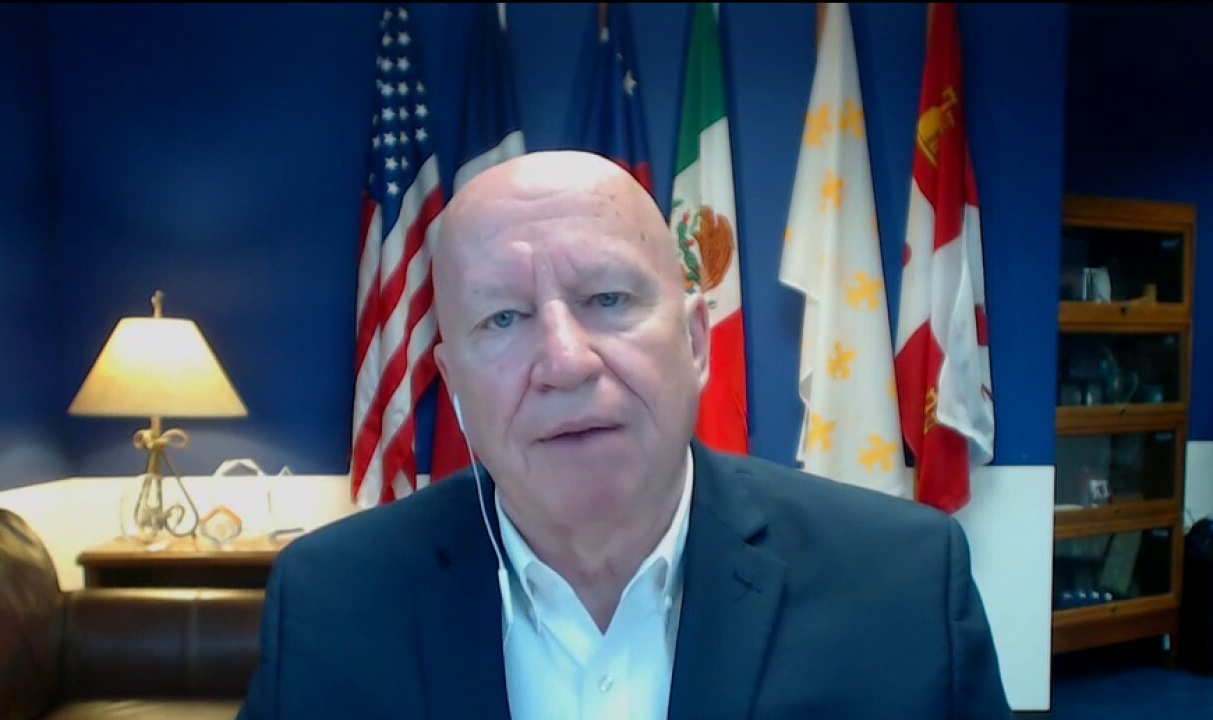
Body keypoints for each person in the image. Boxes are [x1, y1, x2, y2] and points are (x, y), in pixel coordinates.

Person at [236, 150, 1013, 719]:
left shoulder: (904, 585)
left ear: (697, 343)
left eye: (607, 299)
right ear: (455, 384)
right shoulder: (329, 606)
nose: (564, 362)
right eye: (502, 318)